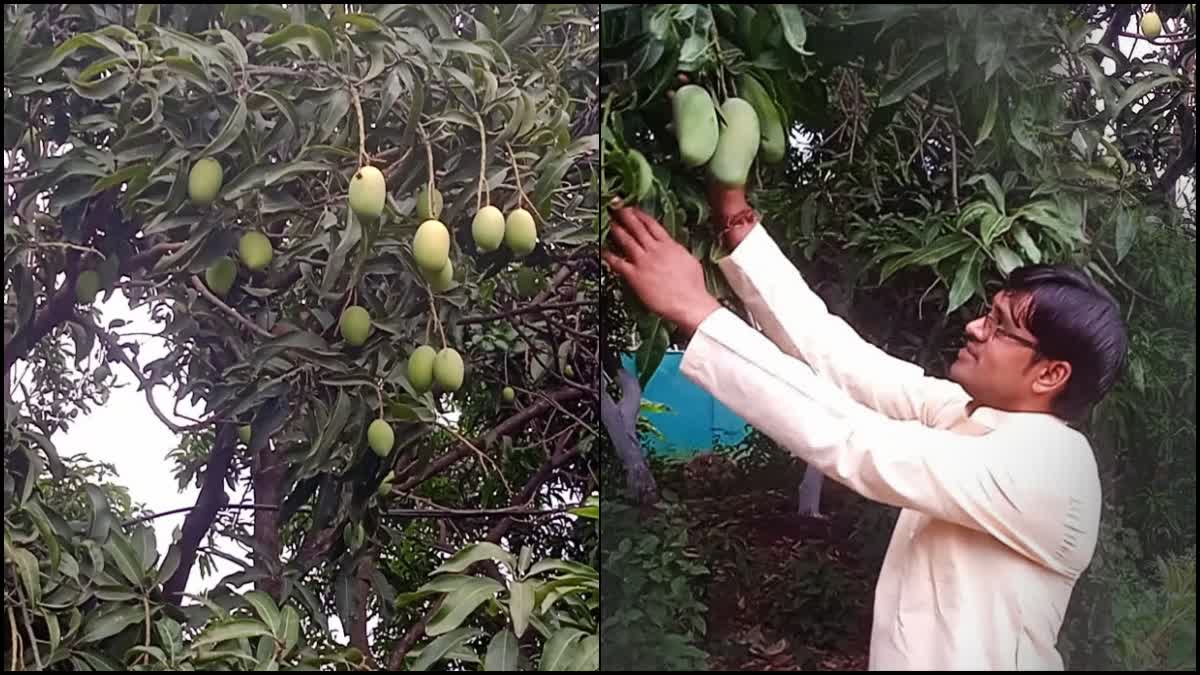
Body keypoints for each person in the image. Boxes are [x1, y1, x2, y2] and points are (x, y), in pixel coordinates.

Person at [601, 183, 1128, 671]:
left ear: (1052, 374)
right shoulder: (972, 419)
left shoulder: (1053, 468)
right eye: (986, 313)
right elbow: (846, 361)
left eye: (999, 327)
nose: (973, 327)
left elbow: (853, 439)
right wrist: (739, 225)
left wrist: (697, 309)